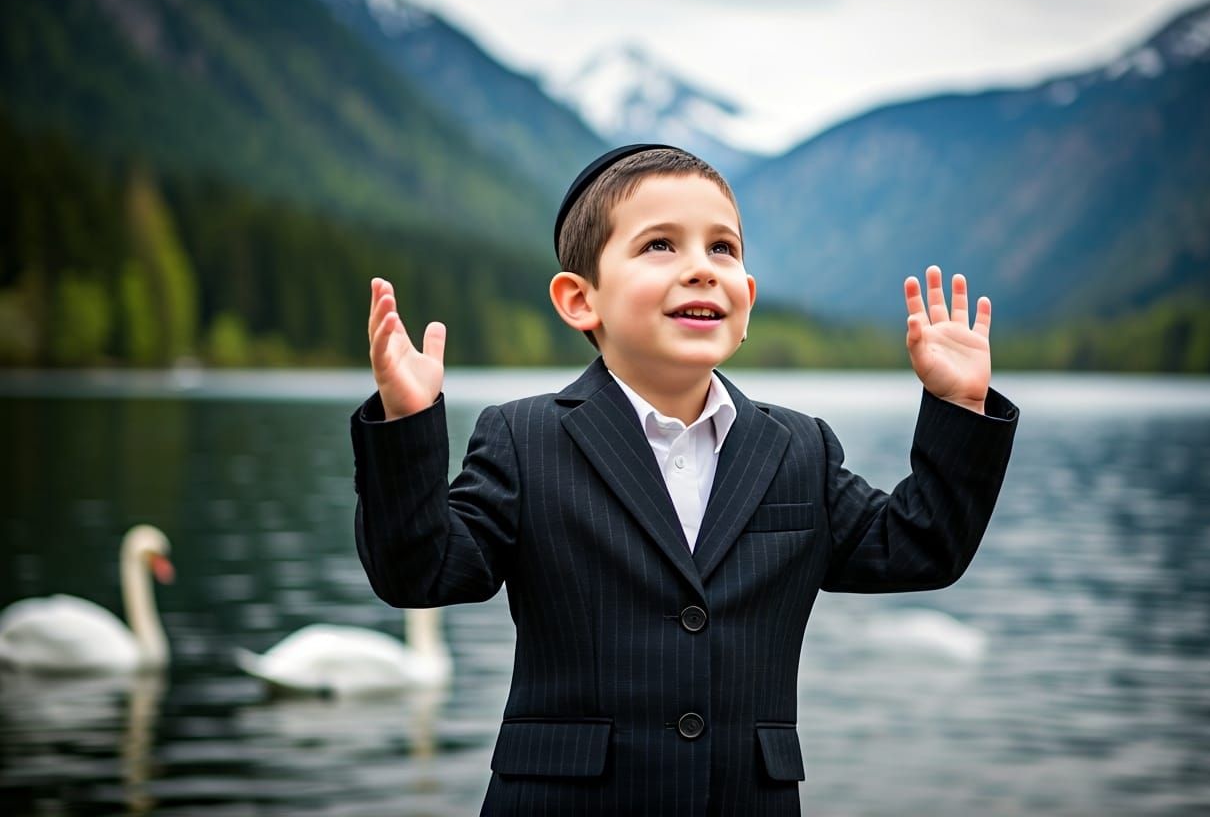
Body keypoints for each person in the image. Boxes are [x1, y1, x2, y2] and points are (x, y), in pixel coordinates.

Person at [351, 144, 1019, 816]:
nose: (702, 268)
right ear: (580, 299)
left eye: (723, 249)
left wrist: (959, 406)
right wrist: (405, 421)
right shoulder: (525, 440)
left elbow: (922, 545)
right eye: (662, 246)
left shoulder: (798, 449)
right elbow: (422, 572)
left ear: (748, 301)